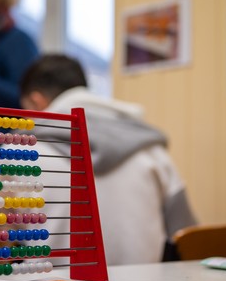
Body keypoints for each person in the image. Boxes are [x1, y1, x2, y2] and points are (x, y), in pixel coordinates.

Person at [18, 54, 197, 265]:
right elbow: (187, 235)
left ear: (37, 101)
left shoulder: (20, 154)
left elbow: (5, 241)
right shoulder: (152, 152)